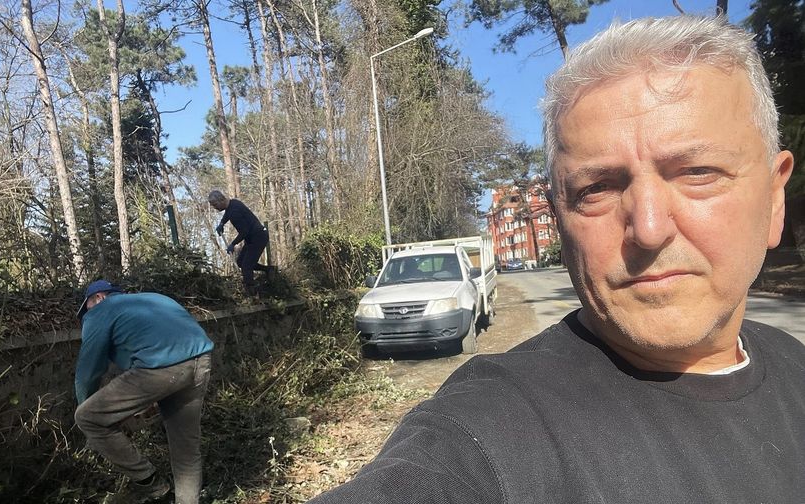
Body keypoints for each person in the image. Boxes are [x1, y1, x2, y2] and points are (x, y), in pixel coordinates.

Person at [309, 15, 802, 503]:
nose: (650, 229)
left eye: (697, 172)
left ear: (775, 198)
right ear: (561, 217)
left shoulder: (793, 364)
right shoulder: (490, 427)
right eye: (597, 188)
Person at [73, 280, 214, 504]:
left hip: (161, 368)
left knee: (86, 417)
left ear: (99, 297)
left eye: (87, 307)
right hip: (201, 360)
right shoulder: (156, 298)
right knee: (185, 448)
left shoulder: (100, 311)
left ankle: (153, 484)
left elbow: (88, 372)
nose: (86, 315)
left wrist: (87, 407)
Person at [208, 190, 271, 295]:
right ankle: (268, 270)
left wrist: (233, 244)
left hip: (258, 237)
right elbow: (227, 214)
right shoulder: (233, 203)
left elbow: (244, 232)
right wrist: (222, 223)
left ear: (221, 200)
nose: (215, 208)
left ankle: (251, 293)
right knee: (241, 262)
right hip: (252, 238)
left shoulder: (234, 212)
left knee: (246, 267)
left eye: (215, 204)